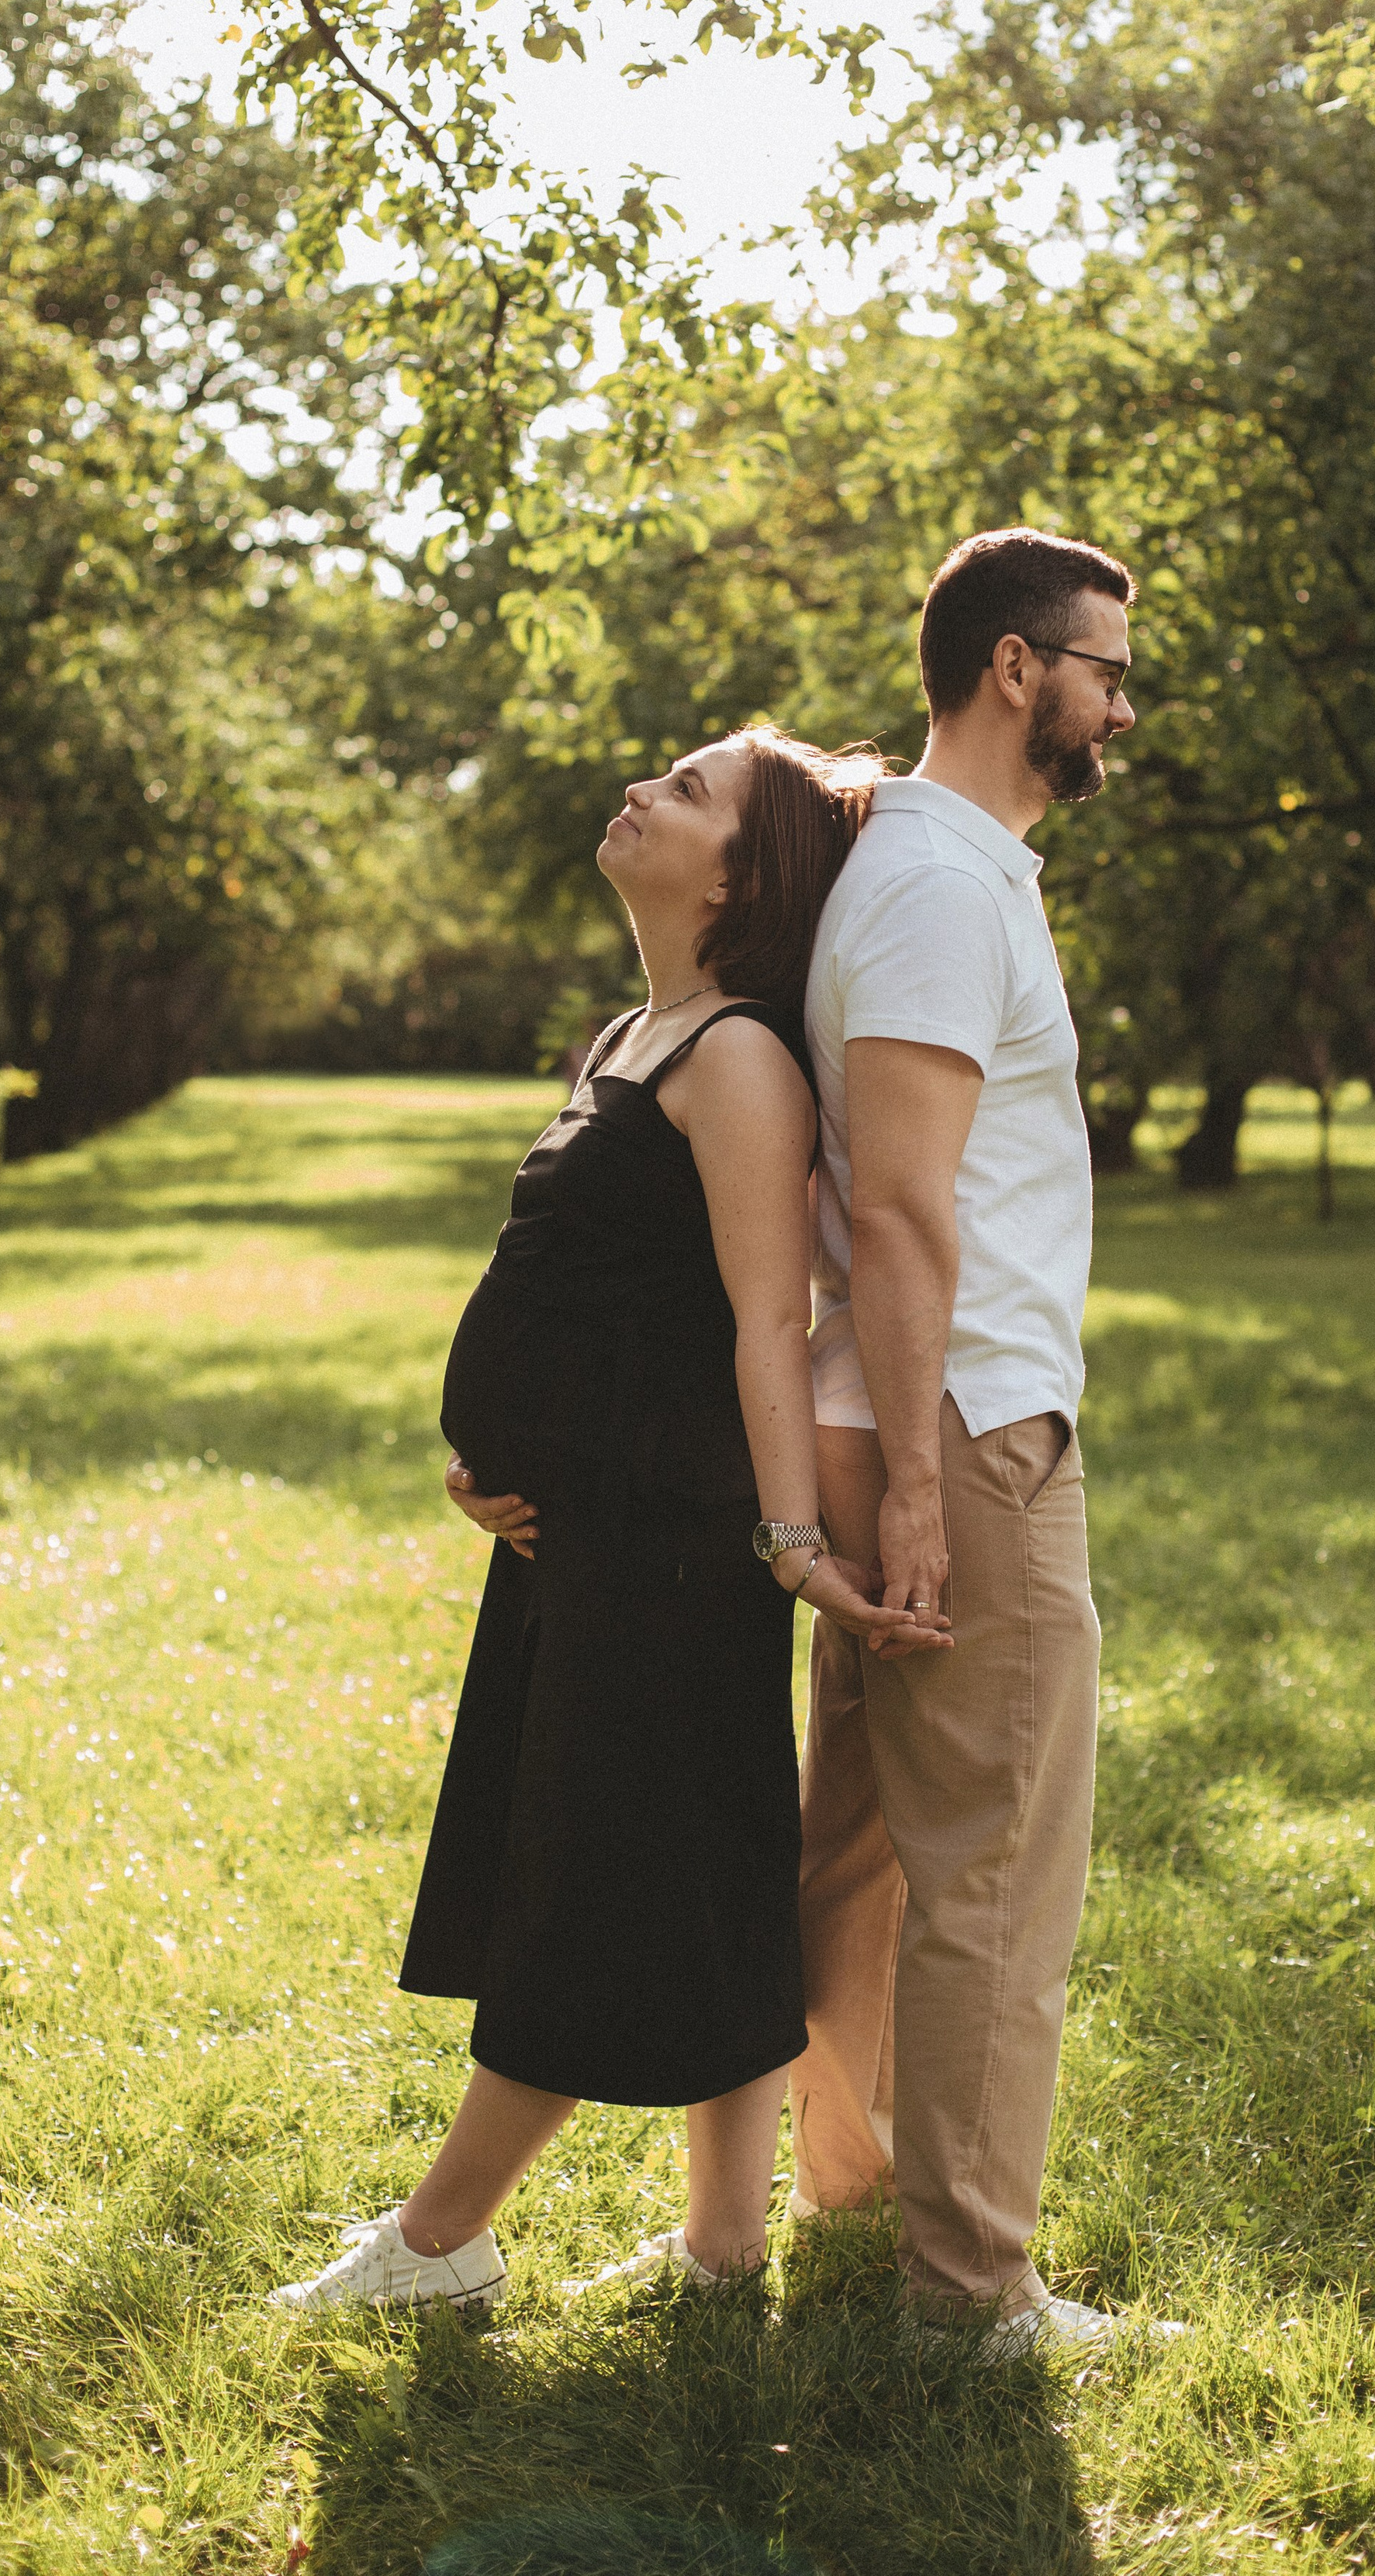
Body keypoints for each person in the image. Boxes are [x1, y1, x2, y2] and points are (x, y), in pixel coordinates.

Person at [271, 725, 949, 2319]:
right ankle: (724, 2245)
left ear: (742, 875)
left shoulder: (738, 1062)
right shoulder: (623, 1040)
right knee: (711, 1879)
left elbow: (761, 1330)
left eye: (692, 789)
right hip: (578, 1531)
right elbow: (577, 1292)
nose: (646, 791)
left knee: (597, 1886)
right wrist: (493, 1452)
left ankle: (440, 2239)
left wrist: (791, 1549)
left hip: (670, 1541)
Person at [789, 527, 1167, 2362]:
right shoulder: (942, 890)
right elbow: (905, 1212)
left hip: (893, 1413)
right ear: (1015, 669)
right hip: (963, 1420)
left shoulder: (926, 864)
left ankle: (854, 2195)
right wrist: (935, 1483)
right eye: (1107, 665)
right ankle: (968, 2291)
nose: (1121, 703)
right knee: (998, 1866)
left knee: (864, 1845)